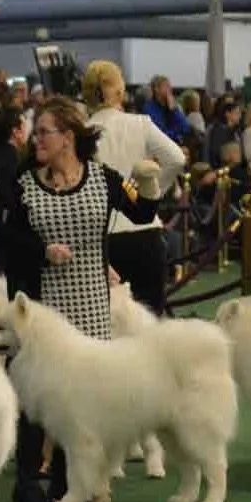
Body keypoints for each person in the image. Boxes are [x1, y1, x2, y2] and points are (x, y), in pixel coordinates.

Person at [1, 96, 161, 502]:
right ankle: (28, 476)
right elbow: (7, 240)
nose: (35, 139)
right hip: (42, 306)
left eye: (43, 132)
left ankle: (83, 480)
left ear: (68, 137)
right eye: (34, 132)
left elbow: (142, 213)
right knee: (38, 394)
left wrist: (150, 182)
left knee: (87, 401)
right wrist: (42, 251)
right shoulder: (21, 183)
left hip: (90, 300)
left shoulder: (104, 178)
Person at [84, 60, 184, 315]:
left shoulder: (82, 133)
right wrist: (150, 195)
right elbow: (177, 159)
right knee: (150, 322)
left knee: (106, 323)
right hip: (145, 234)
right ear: (120, 91)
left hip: (103, 240)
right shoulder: (141, 124)